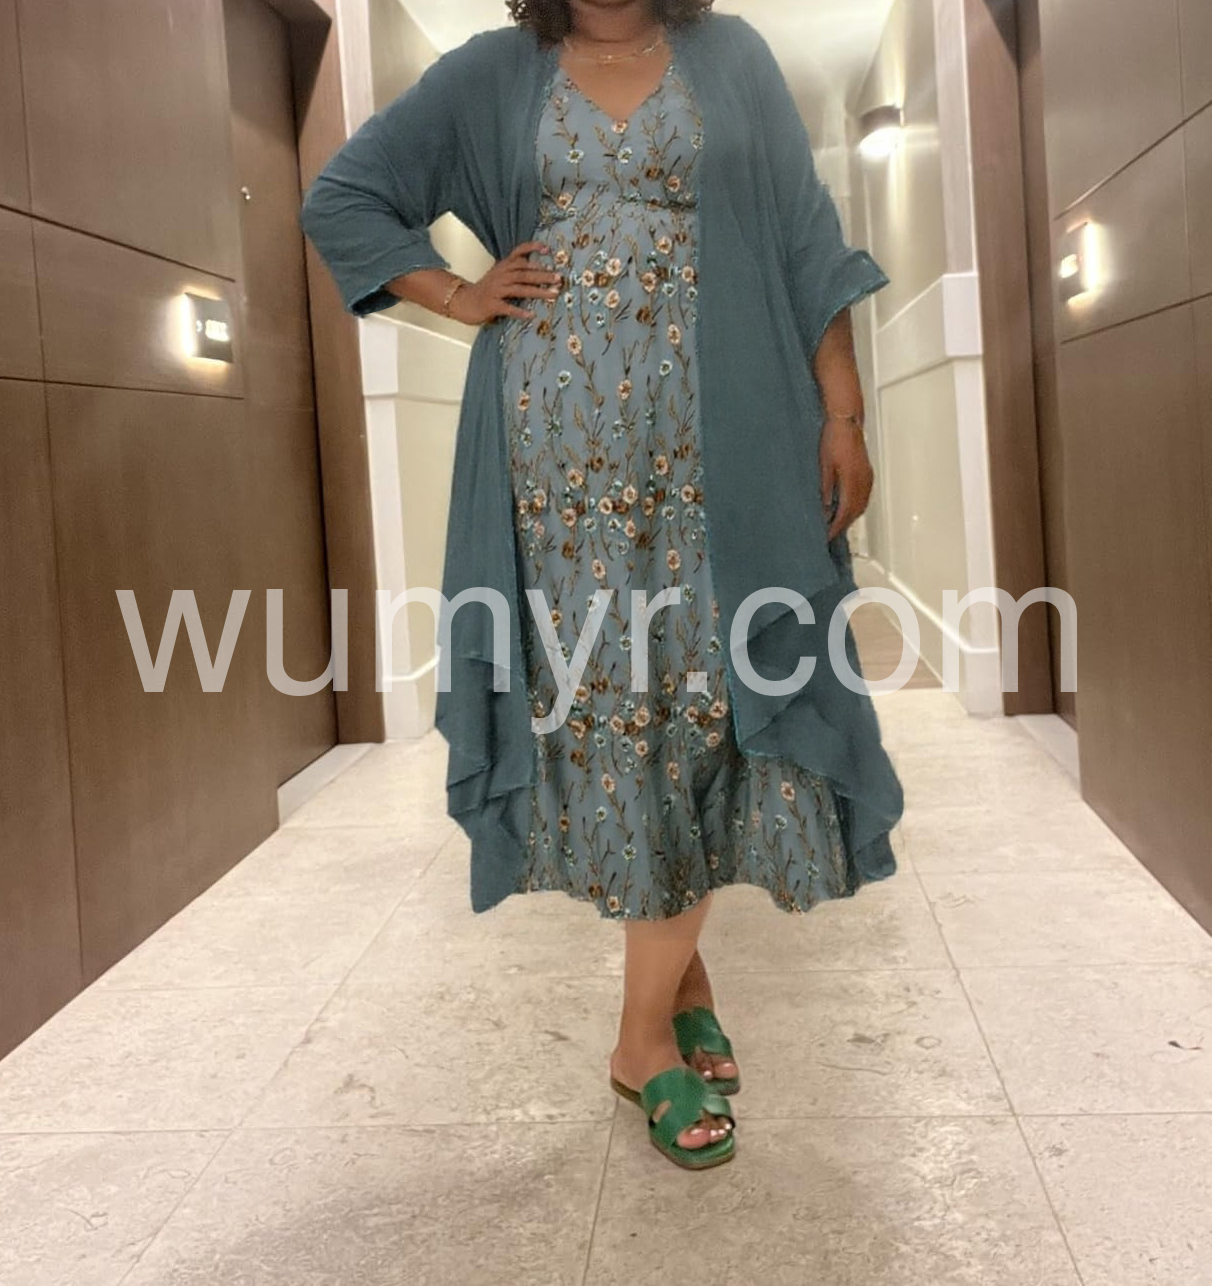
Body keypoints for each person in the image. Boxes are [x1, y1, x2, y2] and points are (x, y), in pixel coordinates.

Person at [301, 0, 904, 1171]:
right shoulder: (492, 71)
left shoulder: (731, 56)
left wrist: (844, 410)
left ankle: (665, 999)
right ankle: (646, 1034)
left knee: (714, 703)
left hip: (724, 435)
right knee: (618, 713)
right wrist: (456, 292)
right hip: (555, 457)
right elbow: (345, 195)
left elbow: (804, 233)